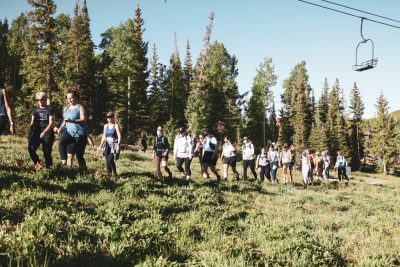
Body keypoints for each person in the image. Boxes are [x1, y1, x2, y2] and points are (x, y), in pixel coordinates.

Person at [57, 88, 88, 170]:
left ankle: (83, 171)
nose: (69, 100)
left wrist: (72, 120)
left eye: (71, 98)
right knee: (63, 143)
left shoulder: (79, 107)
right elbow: (65, 120)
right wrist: (60, 128)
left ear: (76, 97)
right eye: (68, 98)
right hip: (69, 132)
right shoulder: (66, 108)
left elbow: (84, 119)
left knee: (79, 155)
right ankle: (65, 166)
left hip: (79, 134)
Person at [27, 92, 55, 171]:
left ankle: (49, 169)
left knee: (47, 152)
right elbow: (32, 123)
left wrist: (44, 132)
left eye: (42, 99)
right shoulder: (35, 110)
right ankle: (38, 164)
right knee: (31, 149)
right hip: (36, 132)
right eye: (38, 100)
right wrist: (29, 134)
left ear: (46, 99)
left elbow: (51, 123)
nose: (40, 101)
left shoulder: (50, 109)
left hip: (47, 132)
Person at [98, 112, 121, 176]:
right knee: (107, 161)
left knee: (110, 160)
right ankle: (109, 174)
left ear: (113, 118)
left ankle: (115, 173)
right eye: (108, 117)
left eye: (110, 117)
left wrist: (118, 144)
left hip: (114, 145)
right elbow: (104, 136)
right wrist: (100, 145)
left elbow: (119, 135)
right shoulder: (105, 126)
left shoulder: (116, 125)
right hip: (107, 145)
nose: (109, 119)